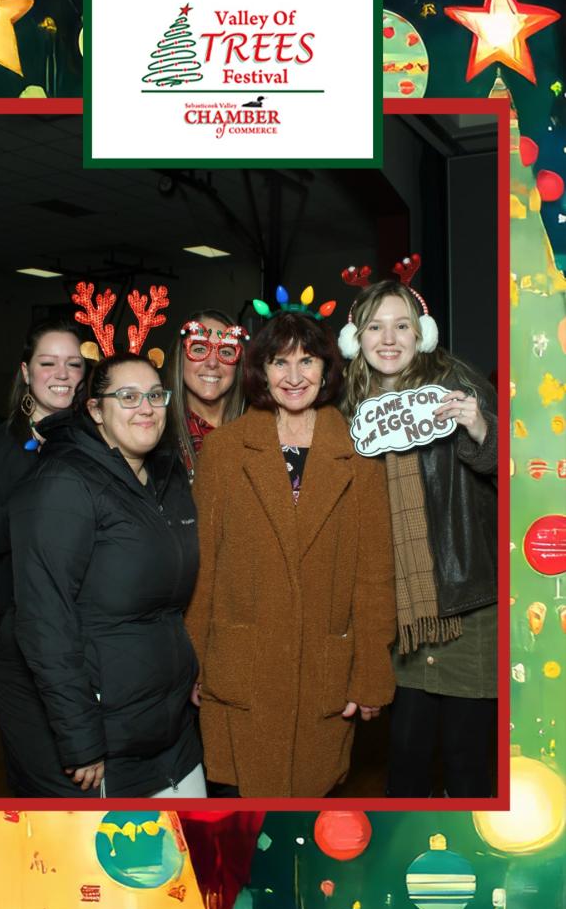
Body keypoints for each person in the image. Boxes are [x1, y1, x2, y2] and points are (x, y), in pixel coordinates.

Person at [185, 311, 397, 797]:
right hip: (241, 670)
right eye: (280, 362)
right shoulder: (225, 452)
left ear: (326, 369)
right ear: (262, 370)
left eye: (307, 361)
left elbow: (374, 577)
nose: (294, 376)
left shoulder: (359, 456)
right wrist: (191, 664)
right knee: (237, 817)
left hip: (321, 672)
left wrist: (370, 672)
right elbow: (203, 571)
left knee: (309, 818)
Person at [0, 352, 205, 797]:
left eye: (155, 395)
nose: (145, 408)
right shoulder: (63, 483)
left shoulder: (167, 478)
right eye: (127, 396)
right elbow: (44, 622)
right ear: (96, 411)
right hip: (99, 733)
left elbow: (172, 604)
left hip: (168, 726)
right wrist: (81, 740)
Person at [339, 279, 497, 798]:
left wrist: (481, 430)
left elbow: (518, 473)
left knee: (466, 761)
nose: (389, 339)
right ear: (356, 339)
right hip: (399, 613)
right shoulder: (348, 407)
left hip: (465, 602)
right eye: (375, 327)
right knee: (405, 759)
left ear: (421, 333)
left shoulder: (457, 384)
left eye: (402, 325)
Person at [0, 318, 87, 613]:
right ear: (26, 372)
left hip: (93, 614)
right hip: (22, 612)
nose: (63, 373)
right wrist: (35, 513)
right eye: (48, 363)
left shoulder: (99, 439)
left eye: (74, 364)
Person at [165, 310, 246, 479]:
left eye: (226, 352)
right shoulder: (158, 435)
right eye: (200, 349)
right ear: (180, 358)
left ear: (237, 364)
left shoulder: (259, 429)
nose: (212, 363)